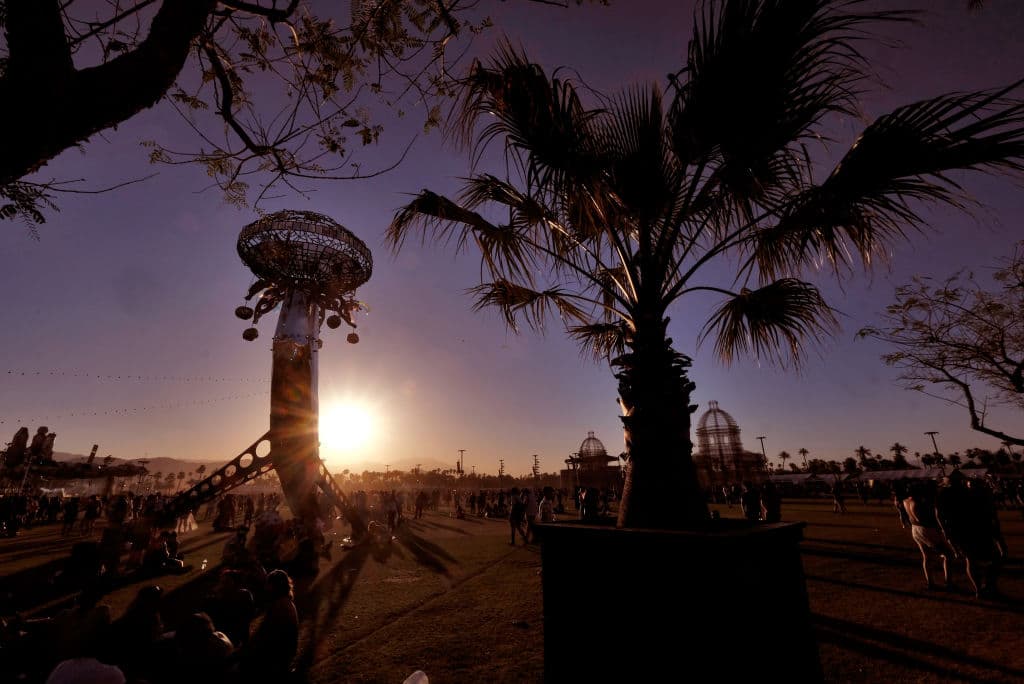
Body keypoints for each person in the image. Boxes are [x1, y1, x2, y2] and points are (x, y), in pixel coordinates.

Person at [242, 569, 298, 679]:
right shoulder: (284, 601)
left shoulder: (280, 606)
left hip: (280, 655)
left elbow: (267, 636)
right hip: (284, 651)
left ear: (274, 586)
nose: (265, 587)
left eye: (268, 584)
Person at [903, 480, 952, 591]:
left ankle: (930, 582)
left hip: (914, 529)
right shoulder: (918, 502)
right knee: (948, 555)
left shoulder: (905, 501)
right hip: (926, 529)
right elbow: (923, 518)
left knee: (926, 556)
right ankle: (948, 582)